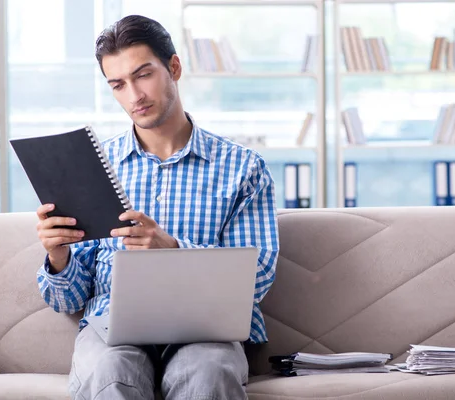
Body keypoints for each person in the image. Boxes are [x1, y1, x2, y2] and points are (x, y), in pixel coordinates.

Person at [34, 14, 279, 400]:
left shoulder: (242, 168)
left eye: (143, 75)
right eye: (118, 84)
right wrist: (58, 255)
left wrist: (173, 250)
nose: (134, 96)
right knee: (110, 371)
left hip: (206, 331)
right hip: (111, 330)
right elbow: (67, 299)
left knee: (207, 373)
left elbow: (258, 277)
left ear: (174, 67)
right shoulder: (94, 167)